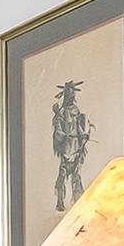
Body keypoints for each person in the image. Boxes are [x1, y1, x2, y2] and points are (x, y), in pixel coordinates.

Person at [50, 80, 93, 212]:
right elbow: (58, 129)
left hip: (76, 146)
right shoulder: (62, 112)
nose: (72, 97)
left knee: (76, 174)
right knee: (63, 174)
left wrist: (84, 134)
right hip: (67, 147)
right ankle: (60, 201)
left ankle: (78, 201)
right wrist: (63, 135)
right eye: (69, 94)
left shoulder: (76, 110)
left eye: (72, 94)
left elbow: (79, 126)